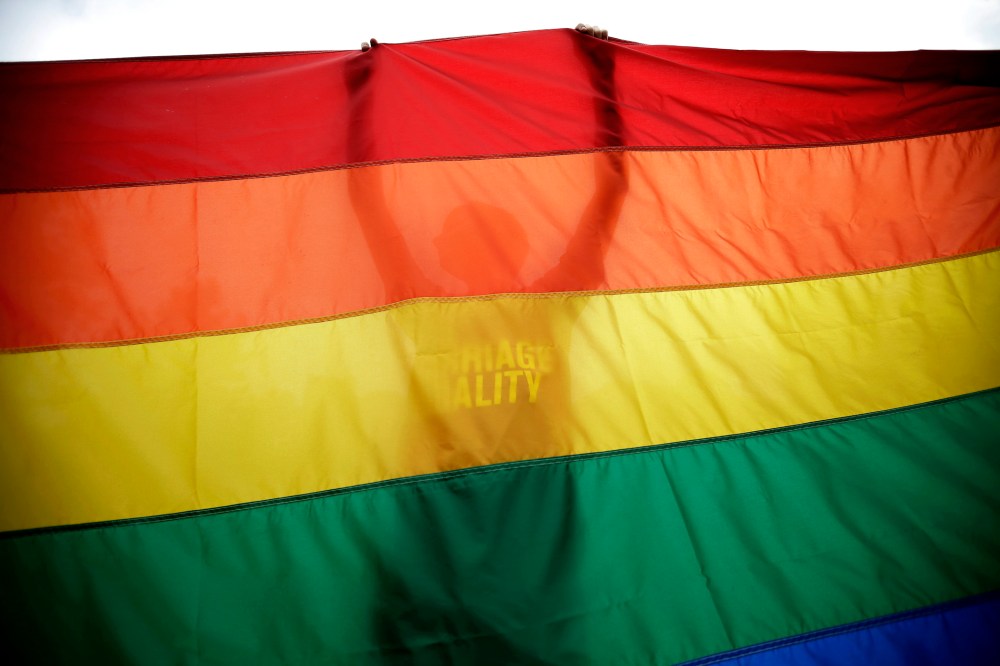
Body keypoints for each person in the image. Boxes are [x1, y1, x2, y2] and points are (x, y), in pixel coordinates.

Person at [345, 25, 629, 660]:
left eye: (452, 236)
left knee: (528, 638)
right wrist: (359, 98)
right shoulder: (433, 307)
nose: (441, 247)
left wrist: (604, 78)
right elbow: (365, 201)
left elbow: (610, 192)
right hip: (443, 496)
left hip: (527, 498)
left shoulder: (543, 304)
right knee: (418, 635)